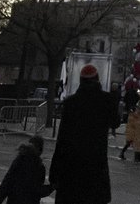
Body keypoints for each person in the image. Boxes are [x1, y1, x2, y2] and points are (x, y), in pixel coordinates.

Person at [50, 64, 120, 204]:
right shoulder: (106, 101)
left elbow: (62, 139)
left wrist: (55, 172)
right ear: (97, 80)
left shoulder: (71, 103)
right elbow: (116, 122)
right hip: (95, 166)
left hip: (71, 167)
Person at [0, 135, 53, 204]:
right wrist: (51, 187)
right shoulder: (39, 167)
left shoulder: (19, 160)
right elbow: (37, 190)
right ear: (40, 150)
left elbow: (6, 183)